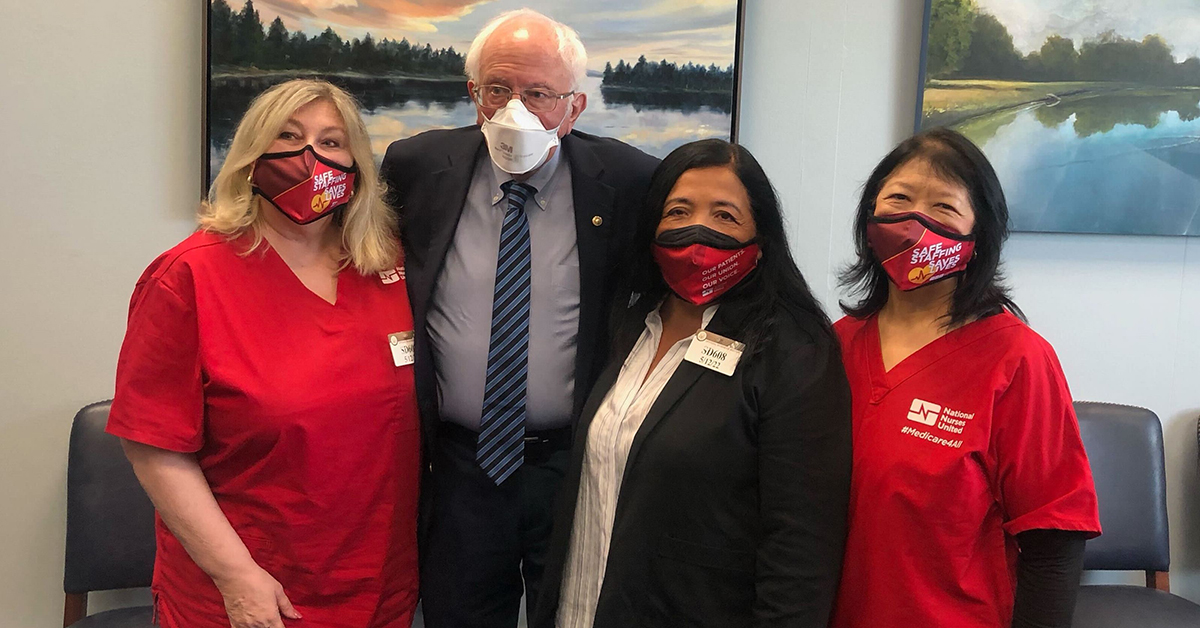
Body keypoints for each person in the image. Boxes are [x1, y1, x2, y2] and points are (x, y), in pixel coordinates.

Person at [379, 8, 659, 628]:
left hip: (575, 463)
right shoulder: (416, 168)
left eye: (539, 93)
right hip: (458, 465)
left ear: (575, 107)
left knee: (576, 613)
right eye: (498, 89)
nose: (516, 111)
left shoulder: (630, 180)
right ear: (472, 93)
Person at [107, 79, 419, 628]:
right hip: (251, 593)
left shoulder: (387, 267)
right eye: (288, 136)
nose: (309, 157)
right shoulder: (190, 276)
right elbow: (154, 447)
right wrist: (237, 577)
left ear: (358, 164)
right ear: (251, 157)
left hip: (379, 585)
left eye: (331, 142)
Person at [531, 138, 853, 628]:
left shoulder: (793, 348)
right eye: (678, 211)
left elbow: (801, 543)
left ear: (761, 239)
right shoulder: (629, 321)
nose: (697, 230)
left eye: (725, 215)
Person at [830, 128, 1101, 628]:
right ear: (869, 219)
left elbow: (1053, 543)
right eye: (899, 199)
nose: (915, 222)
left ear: (978, 238)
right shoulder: (833, 345)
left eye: (943, 208)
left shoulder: (1018, 361)